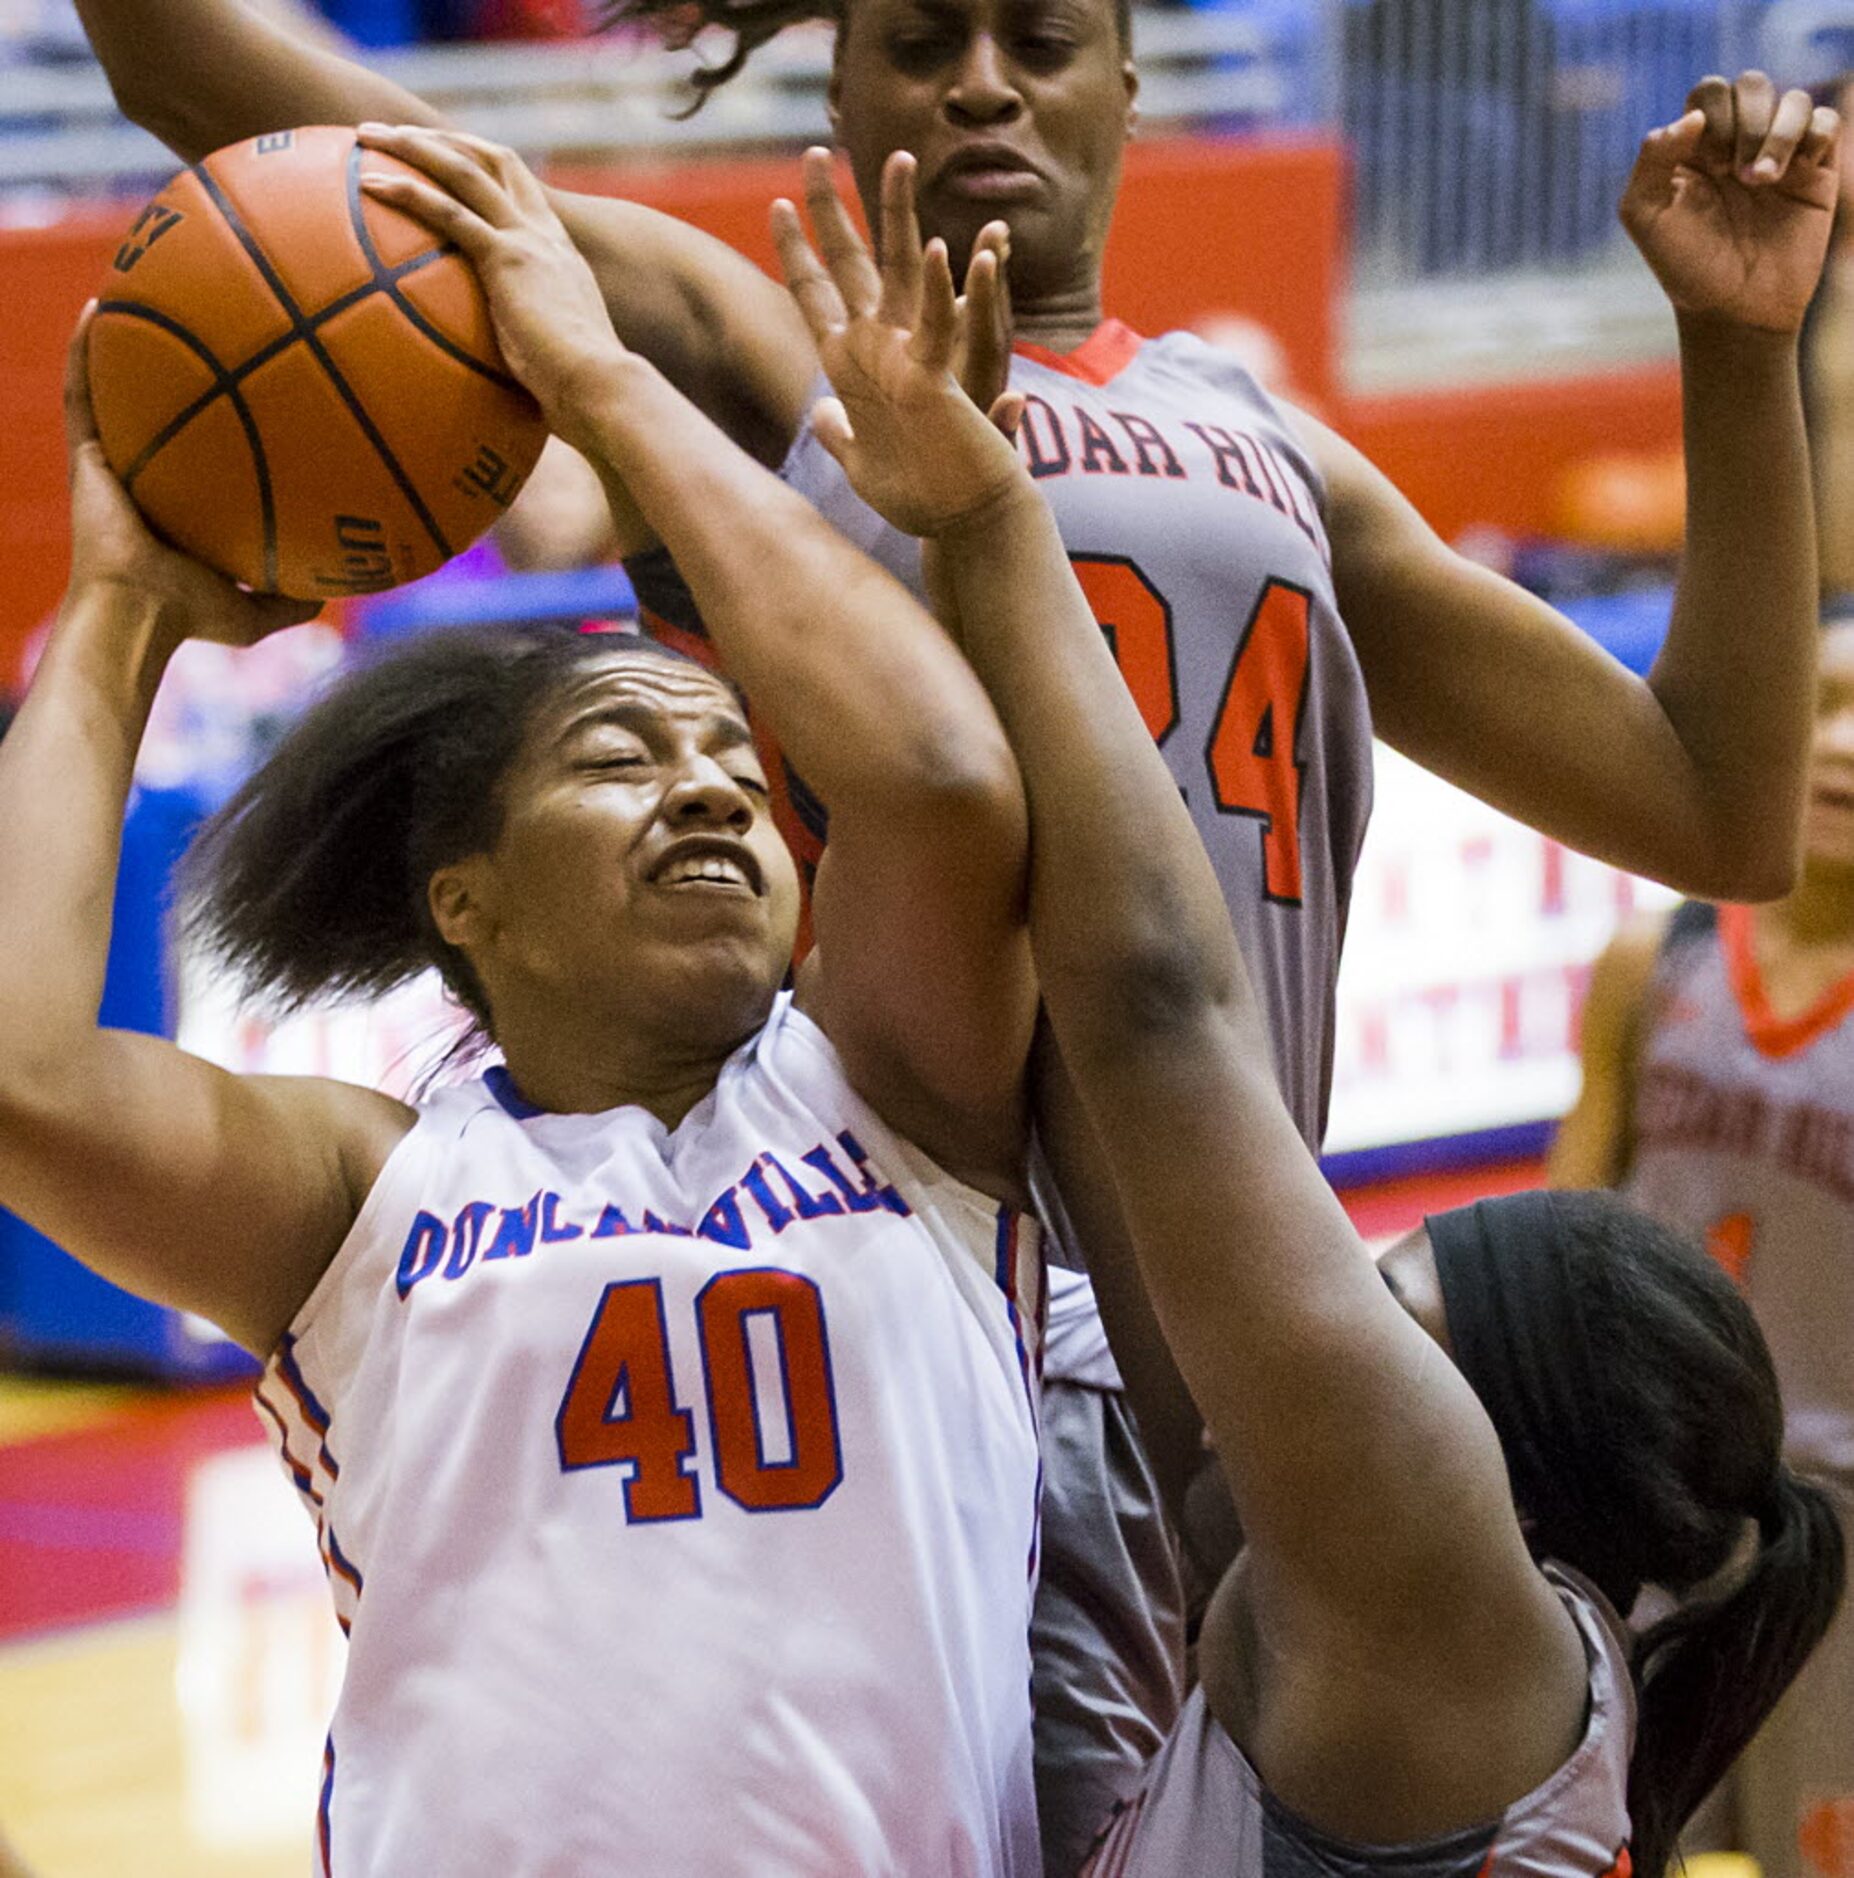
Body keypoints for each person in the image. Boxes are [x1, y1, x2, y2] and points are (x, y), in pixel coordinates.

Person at [64, 6, 1842, 1859]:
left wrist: (1732, 346)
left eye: (1041, 38)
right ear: (834, 97)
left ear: (1127, 87)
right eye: (916, 41)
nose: (981, 80)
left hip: (1242, 1350)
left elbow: (1706, 801)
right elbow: (222, 94)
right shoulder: (770, 361)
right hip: (914, 1293)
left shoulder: (1280, 457)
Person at [770, 150, 1849, 1878]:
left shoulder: (1417, 1623)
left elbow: (1157, 1005)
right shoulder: (1463, 1640)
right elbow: (1177, 1269)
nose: (1303, 1321)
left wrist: (986, 527)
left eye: (1373, 1308)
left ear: (1471, 1453)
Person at [0, 143, 1049, 1870]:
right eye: (622, 757)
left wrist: (600, 388)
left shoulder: (900, 1101)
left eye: (732, 764)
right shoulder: (368, 1201)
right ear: (462, 899)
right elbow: (30, 1079)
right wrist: (120, 611)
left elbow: (937, 774)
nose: (709, 792)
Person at [1551, 613, 1854, 1878]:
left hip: (1832, 1528)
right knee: (1615, 1839)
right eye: (1825, 697)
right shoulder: (1653, 957)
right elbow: (1570, 1221)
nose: (1842, 744)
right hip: (1650, 1497)